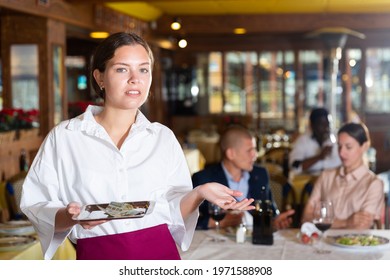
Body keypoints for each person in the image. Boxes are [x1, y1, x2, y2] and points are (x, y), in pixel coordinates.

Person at [19, 32, 254, 260]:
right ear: (100, 77)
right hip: (98, 257)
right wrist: (69, 217)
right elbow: (36, 205)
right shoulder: (65, 137)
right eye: (122, 69)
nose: (135, 79)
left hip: (160, 256)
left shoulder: (163, 138)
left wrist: (200, 193)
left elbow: (173, 215)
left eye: (143, 69)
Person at [192, 125, 295, 231]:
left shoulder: (260, 174)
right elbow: (185, 221)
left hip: (254, 243)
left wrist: (275, 222)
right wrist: (217, 222)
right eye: (249, 150)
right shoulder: (203, 179)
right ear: (231, 153)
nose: (254, 155)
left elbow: (271, 212)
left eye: (255, 150)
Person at [302, 122, 384, 229]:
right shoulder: (326, 176)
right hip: (323, 242)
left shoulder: (373, 184)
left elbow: (361, 227)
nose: (341, 153)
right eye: (339, 146)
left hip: (354, 244)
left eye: (348, 147)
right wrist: (346, 222)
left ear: (364, 146)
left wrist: (322, 222)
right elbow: (305, 218)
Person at [289, 107, 341, 175]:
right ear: (312, 125)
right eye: (322, 125)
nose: (326, 128)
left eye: (327, 124)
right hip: (307, 183)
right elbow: (295, 166)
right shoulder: (303, 141)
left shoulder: (332, 140)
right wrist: (319, 157)